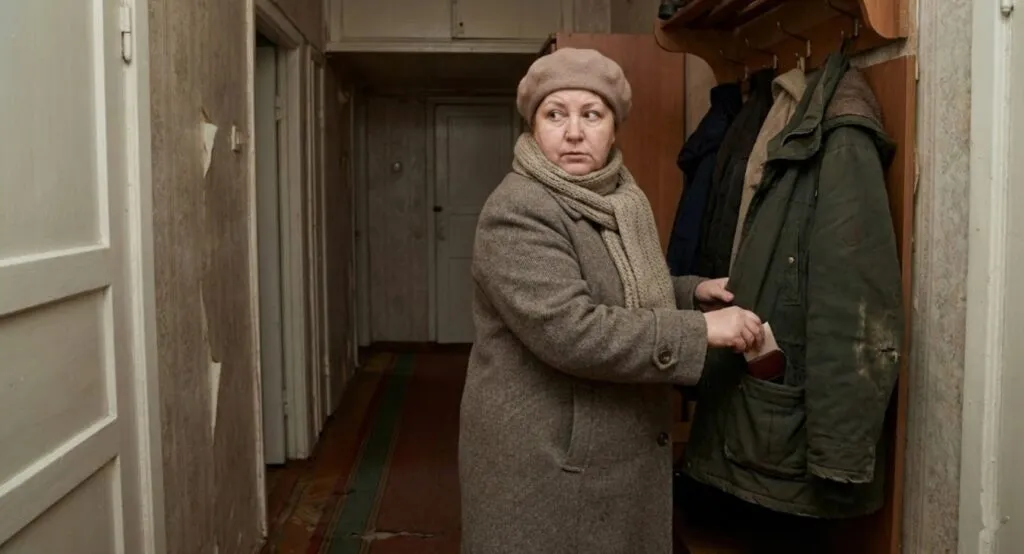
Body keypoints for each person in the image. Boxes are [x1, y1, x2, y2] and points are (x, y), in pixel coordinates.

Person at [458, 48, 765, 554]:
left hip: (604, 450)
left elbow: (617, 286)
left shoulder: (620, 196)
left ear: (614, 128)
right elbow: (573, 331)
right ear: (533, 125)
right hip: (549, 461)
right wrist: (700, 330)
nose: (574, 132)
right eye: (555, 114)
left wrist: (690, 292)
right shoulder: (518, 209)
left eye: (592, 114)